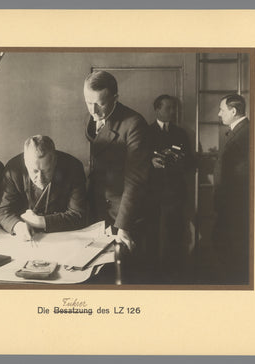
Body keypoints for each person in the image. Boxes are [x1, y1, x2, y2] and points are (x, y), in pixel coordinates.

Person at [83, 70, 150, 260]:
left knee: (127, 273)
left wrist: (123, 226)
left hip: (125, 213)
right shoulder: (91, 118)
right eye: (88, 103)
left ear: (115, 98)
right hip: (98, 209)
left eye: (100, 104)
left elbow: (135, 180)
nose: (93, 111)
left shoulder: (135, 124)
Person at [0, 135, 86, 240]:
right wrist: (17, 226)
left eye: (46, 171)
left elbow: (79, 215)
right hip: (26, 238)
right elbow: (3, 211)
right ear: (25, 162)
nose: (40, 178)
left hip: (63, 236)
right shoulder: (13, 169)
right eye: (34, 171)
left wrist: (41, 222)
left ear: (54, 161)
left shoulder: (73, 167)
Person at [146, 95, 195, 282]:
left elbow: (191, 162)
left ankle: (173, 273)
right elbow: (136, 161)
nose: (172, 112)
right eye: (168, 108)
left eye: (174, 108)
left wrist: (181, 160)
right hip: (151, 193)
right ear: (157, 109)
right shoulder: (145, 132)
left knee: (175, 233)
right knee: (151, 234)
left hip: (175, 193)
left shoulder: (181, 133)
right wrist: (151, 162)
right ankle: (151, 274)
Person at [213, 94, 250, 284]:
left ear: (233, 111)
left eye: (222, 110)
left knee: (233, 252)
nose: (219, 114)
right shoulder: (239, 131)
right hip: (230, 205)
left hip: (234, 206)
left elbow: (241, 177)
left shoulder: (245, 134)